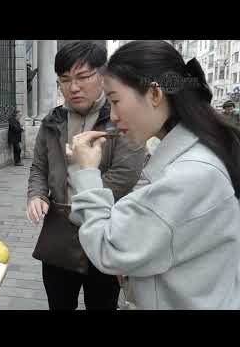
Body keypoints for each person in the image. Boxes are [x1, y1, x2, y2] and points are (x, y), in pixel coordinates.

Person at [67, 40, 240, 309]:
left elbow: (109, 248)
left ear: (155, 95)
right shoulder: (200, 156)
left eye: (115, 100)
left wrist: (88, 172)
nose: (112, 116)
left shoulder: (191, 175)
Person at [27, 40, 146, 310]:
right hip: (57, 238)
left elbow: (125, 175)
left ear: (102, 76)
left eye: (82, 77)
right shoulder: (52, 121)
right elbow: (38, 168)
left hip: (105, 232)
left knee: (103, 304)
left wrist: (84, 208)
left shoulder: (120, 118)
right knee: (59, 303)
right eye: (65, 80)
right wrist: (36, 195)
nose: (74, 87)